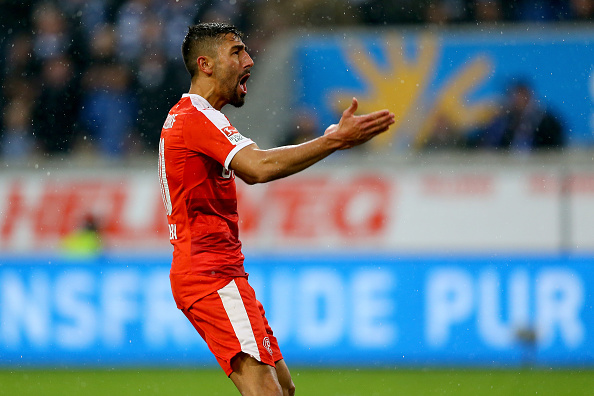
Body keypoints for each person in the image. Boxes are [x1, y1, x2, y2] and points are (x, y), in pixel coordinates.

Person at [158, 23, 395, 396]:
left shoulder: (193, 118)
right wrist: (332, 140)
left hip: (218, 270)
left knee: (283, 389)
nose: (249, 60)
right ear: (205, 64)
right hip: (209, 273)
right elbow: (258, 168)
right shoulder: (196, 117)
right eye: (236, 52)